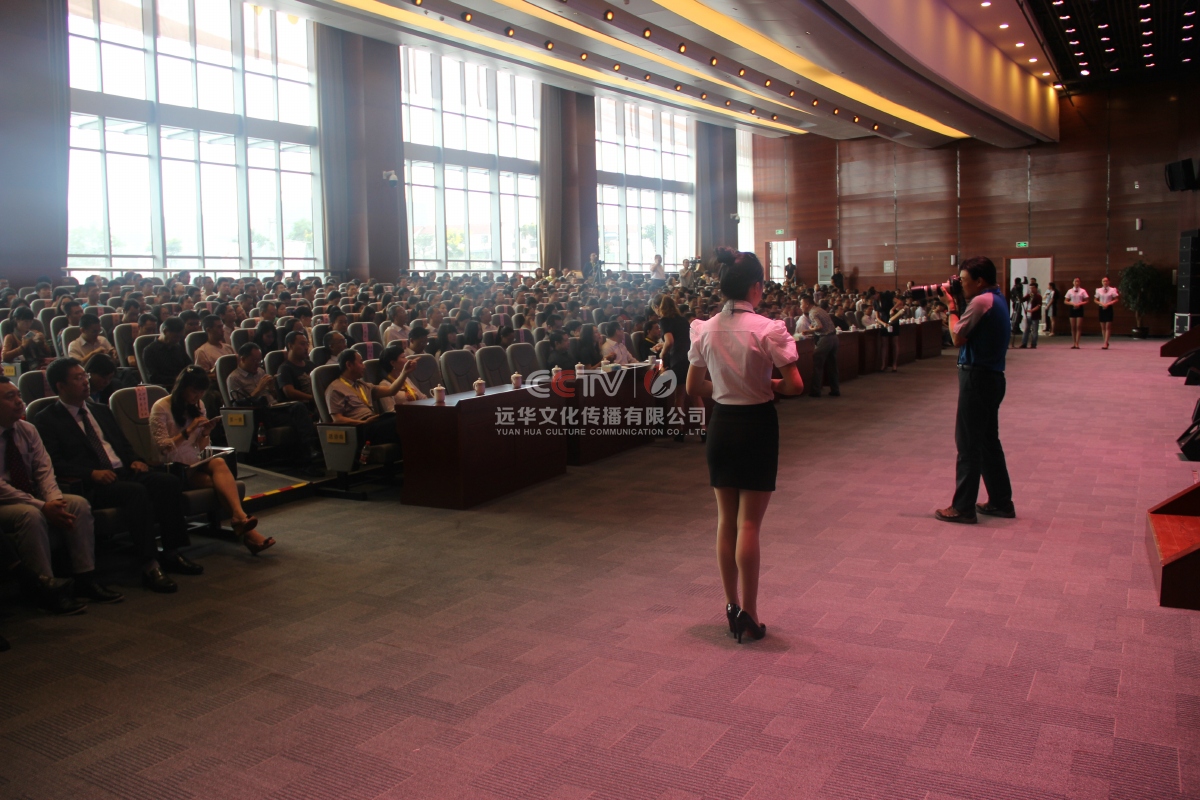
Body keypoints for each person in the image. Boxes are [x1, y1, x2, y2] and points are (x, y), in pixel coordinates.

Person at [686, 247, 804, 643]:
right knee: (749, 524)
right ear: (756, 287)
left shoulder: (705, 328)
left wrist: (725, 387)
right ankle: (750, 614)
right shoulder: (767, 329)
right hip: (757, 426)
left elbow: (693, 386)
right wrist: (765, 383)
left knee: (725, 521)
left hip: (721, 425)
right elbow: (795, 385)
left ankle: (731, 606)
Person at [33, 358, 200, 593]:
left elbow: (123, 445)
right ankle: (149, 564)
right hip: (93, 483)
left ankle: (172, 552)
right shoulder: (46, 419)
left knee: (168, 482)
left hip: (123, 471)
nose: (85, 382)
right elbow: (53, 463)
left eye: (85, 376)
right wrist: (91, 473)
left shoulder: (100, 410)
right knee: (136, 492)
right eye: (78, 378)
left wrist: (135, 460)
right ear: (60, 386)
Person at [0, 376, 117, 614]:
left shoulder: (27, 429)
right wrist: (41, 506)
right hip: (7, 501)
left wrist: (53, 500)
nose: (19, 401)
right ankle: (45, 588)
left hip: (33, 495)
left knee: (77, 504)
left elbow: (44, 470)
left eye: (19, 395)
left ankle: (85, 577)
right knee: (30, 514)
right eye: (10, 397)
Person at [151, 365, 273, 554]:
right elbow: (163, 448)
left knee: (218, 463)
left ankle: (240, 520)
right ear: (182, 387)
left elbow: (200, 447)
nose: (198, 396)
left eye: (201, 392)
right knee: (223, 483)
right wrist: (188, 431)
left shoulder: (198, 405)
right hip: (172, 468)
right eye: (194, 391)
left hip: (193, 463)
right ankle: (244, 526)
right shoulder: (161, 407)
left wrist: (205, 432)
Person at [936, 257, 1015, 525]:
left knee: (968, 444)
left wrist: (951, 308)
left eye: (964, 280)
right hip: (992, 377)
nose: (960, 284)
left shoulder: (981, 302)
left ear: (979, 281)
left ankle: (963, 508)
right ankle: (1001, 502)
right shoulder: (997, 298)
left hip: (977, 377)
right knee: (988, 442)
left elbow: (957, 337)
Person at [227, 342, 322, 469]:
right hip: (258, 414)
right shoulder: (234, 378)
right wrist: (259, 389)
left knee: (299, 408)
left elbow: (273, 396)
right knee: (300, 413)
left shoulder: (260, 372)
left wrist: (272, 388)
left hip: (274, 407)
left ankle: (307, 453)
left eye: (259, 360)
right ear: (243, 359)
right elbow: (239, 405)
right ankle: (308, 452)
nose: (257, 364)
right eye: (254, 360)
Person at [324, 349, 415, 449]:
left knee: (407, 418)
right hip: (359, 428)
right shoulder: (335, 388)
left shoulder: (363, 385)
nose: (364, 366)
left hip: (373, 423)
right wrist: (364, 423)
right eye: (360, 362)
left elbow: (391, 390)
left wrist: (404, 373)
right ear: (349, 365)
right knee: (401, 423)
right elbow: (337, 419)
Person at [801, 295, 840, 398]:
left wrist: (809, 330)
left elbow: (819, 326)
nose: (800, 306)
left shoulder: (812, 313)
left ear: (807, 304)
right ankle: (835, 389)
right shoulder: (820, 310)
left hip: (825, 339)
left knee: (817, 365)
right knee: (832, 366)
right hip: (834, 338)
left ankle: (815, 391)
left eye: (801, 304)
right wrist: (812, 329)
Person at [143, 317, 191, 387]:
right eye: (175, 337)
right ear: (165, 331)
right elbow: (153, 377)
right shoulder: (150, 351)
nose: (178, 340)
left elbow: (189, 366)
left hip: (183, 384)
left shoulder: (177, 348)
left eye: (180, 337)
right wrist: (178, 379)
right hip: (165, 387)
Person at [276, 331, 316, 411]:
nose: (306, 347)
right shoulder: (285, 368)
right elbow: (290, 392)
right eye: (302, 344)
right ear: (290, 346)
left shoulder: (310, 365)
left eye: (307, 344)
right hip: (301, 408)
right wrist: (314, 398)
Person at [1095, 275, 1119, 350]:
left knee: (1108, 326)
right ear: (1102, 282)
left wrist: (1108, 303)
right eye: (1103, 281)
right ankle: (1105, 341)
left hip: (1109, 308)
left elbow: (1116, 299)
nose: (1105, 282)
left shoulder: (1112, 289)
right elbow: (1095, 299)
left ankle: (1106, 342)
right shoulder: (1098, 290)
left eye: (1106, 281)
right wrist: (1101, 303)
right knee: (1103, 327)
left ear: (1109, 282)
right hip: (1101, 307)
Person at [1065, 277, 1088, 349]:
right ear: (1073, 282)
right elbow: (1065, 301)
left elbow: (1087, 300)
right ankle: (1074, 342)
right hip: (1072, 308)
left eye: (1078, 281)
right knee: (1073, 326)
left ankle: (1077, 342)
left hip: (1079, 308)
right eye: (1075, 281)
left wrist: (1080, 304)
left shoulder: (1083, 291)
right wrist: (1072, 304)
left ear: (1080, 282)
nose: (1076, 283)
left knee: (1078, 326)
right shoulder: (1070, 291)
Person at [1020, 279, 1042, 349]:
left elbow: (1038, 306)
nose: (1031, 290)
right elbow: (1022, 299)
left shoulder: (1038, 296)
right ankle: (1024, 343)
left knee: (1034, 330)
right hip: (1028, 315)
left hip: (1035, 315)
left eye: (1032, 288)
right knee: (1026, 330)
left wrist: (1032, 310)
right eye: (1030, 288)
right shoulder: (1029, 295)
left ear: (1036, 288)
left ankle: (1033, 344)